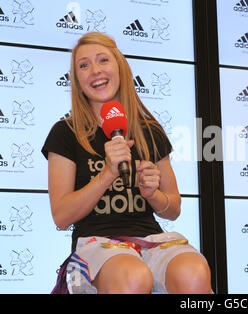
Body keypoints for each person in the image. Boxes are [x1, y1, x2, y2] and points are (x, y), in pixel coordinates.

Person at [41, 32, 211, 294]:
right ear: (77, 81)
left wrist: (153, 195)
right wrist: (106, 174)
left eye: (103, 60)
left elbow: (173, 209)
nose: (95, 71)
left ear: (119, 67)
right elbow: (61, 216)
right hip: (97, 245)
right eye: (84, 65)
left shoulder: (150, 131)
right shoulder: (65, 133)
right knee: (132, 275)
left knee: (194, 271)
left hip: (151, 241)